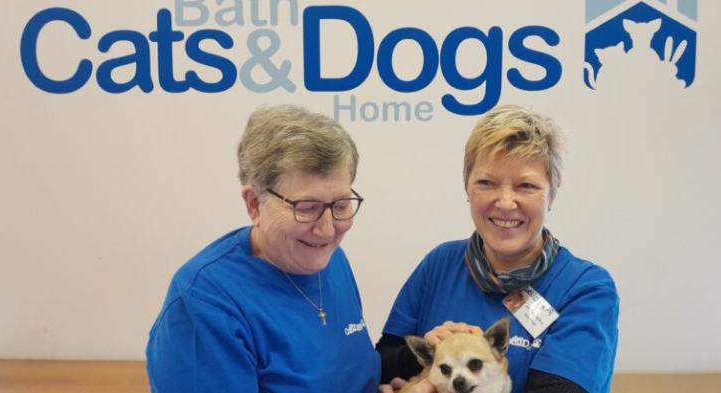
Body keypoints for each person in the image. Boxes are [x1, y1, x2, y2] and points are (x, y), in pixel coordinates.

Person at [376, 105, 619, 393]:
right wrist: (429, 353)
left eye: (526, 186)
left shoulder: (586, 290)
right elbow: (383, 364)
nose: (505, 202)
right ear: (467, 188)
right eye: (486, 182)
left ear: (552, 193)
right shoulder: (439, 265)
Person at [146, 105, 380, 393]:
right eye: (307, 209)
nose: (328, 229)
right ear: (254, 204)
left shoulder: (331, 259)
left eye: (342, 206)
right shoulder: (204, 300)